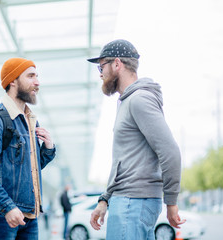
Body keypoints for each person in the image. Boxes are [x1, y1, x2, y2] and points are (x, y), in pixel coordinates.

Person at [87, 39, 186, 240]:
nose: (100, 72)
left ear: (117, 64)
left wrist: (171, 202)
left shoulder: (139, 99)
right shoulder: (126, 101)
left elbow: (170, 151)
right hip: (127, 202)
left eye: (102, 65)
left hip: (132, 204)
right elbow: (123, 161)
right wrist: (105, 199)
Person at [0, 57, 56, 239]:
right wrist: (7, 207)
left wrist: (48, 150)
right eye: (31, 76)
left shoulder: (30, 121)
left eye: (37, 76)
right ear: (12, 81)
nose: (37, 82)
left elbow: (24, 170)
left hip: (29, 217)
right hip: (0, 215)